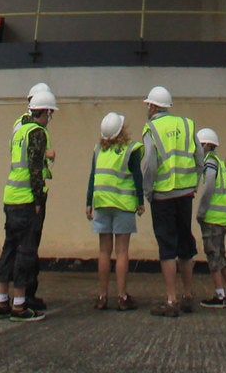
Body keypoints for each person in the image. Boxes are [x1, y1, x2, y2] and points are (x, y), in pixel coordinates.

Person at [0, 83, 57, 321]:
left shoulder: (18, 130)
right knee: (26, 250)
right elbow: (34, 169)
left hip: (10, 196)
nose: (50, 117)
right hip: (27, 200)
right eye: (49, 112)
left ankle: (2, 301)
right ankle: (20, 305)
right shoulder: (37, 133)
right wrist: (39, 200)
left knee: (9, 248)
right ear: (44, 111)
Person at [138, 84, 200, 316]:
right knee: (186, 244)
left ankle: (171, 300)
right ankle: (188, 295)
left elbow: (151, 163)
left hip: (163, 195)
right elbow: (199, 157)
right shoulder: (187, 124)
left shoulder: (151, 129)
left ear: (154, 106)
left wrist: (148, 191)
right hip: (185, 193)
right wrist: (194, 182)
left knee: (167, 247)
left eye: (148, 105)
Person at [87, 111, 144, 310]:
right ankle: (122, 297)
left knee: (104, 251)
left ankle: (102, 297)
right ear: (122, 130)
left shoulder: (98, 150)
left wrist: (88, 203)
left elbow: (93, 176)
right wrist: (140, 201)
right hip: (123, 206)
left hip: (101, 203)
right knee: (121, 252)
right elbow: (138, 177)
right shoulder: (131, 150)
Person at [194, 127, 226, 307]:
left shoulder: (209, 163)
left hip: (212, 217)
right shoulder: (221, 163)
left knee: (212, 255)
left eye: (198, 145)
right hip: (223, 217)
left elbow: (208, 188)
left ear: (206, 145)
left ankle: (219, 295)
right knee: (221, 254)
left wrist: (201, 212)